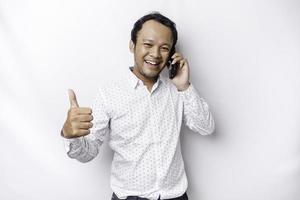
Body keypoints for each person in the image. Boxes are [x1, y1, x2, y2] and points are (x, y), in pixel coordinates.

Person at [61, 12, 215, 200]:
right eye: (148, 44)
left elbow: (206, 127)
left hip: (175, 196)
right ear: (132, 45)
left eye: (164, 48)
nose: (156, 54)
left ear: (172, 53)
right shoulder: (108, 93)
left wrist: (184, 86)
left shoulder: (177, 90)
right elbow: (88, 153)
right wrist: (70, 137)